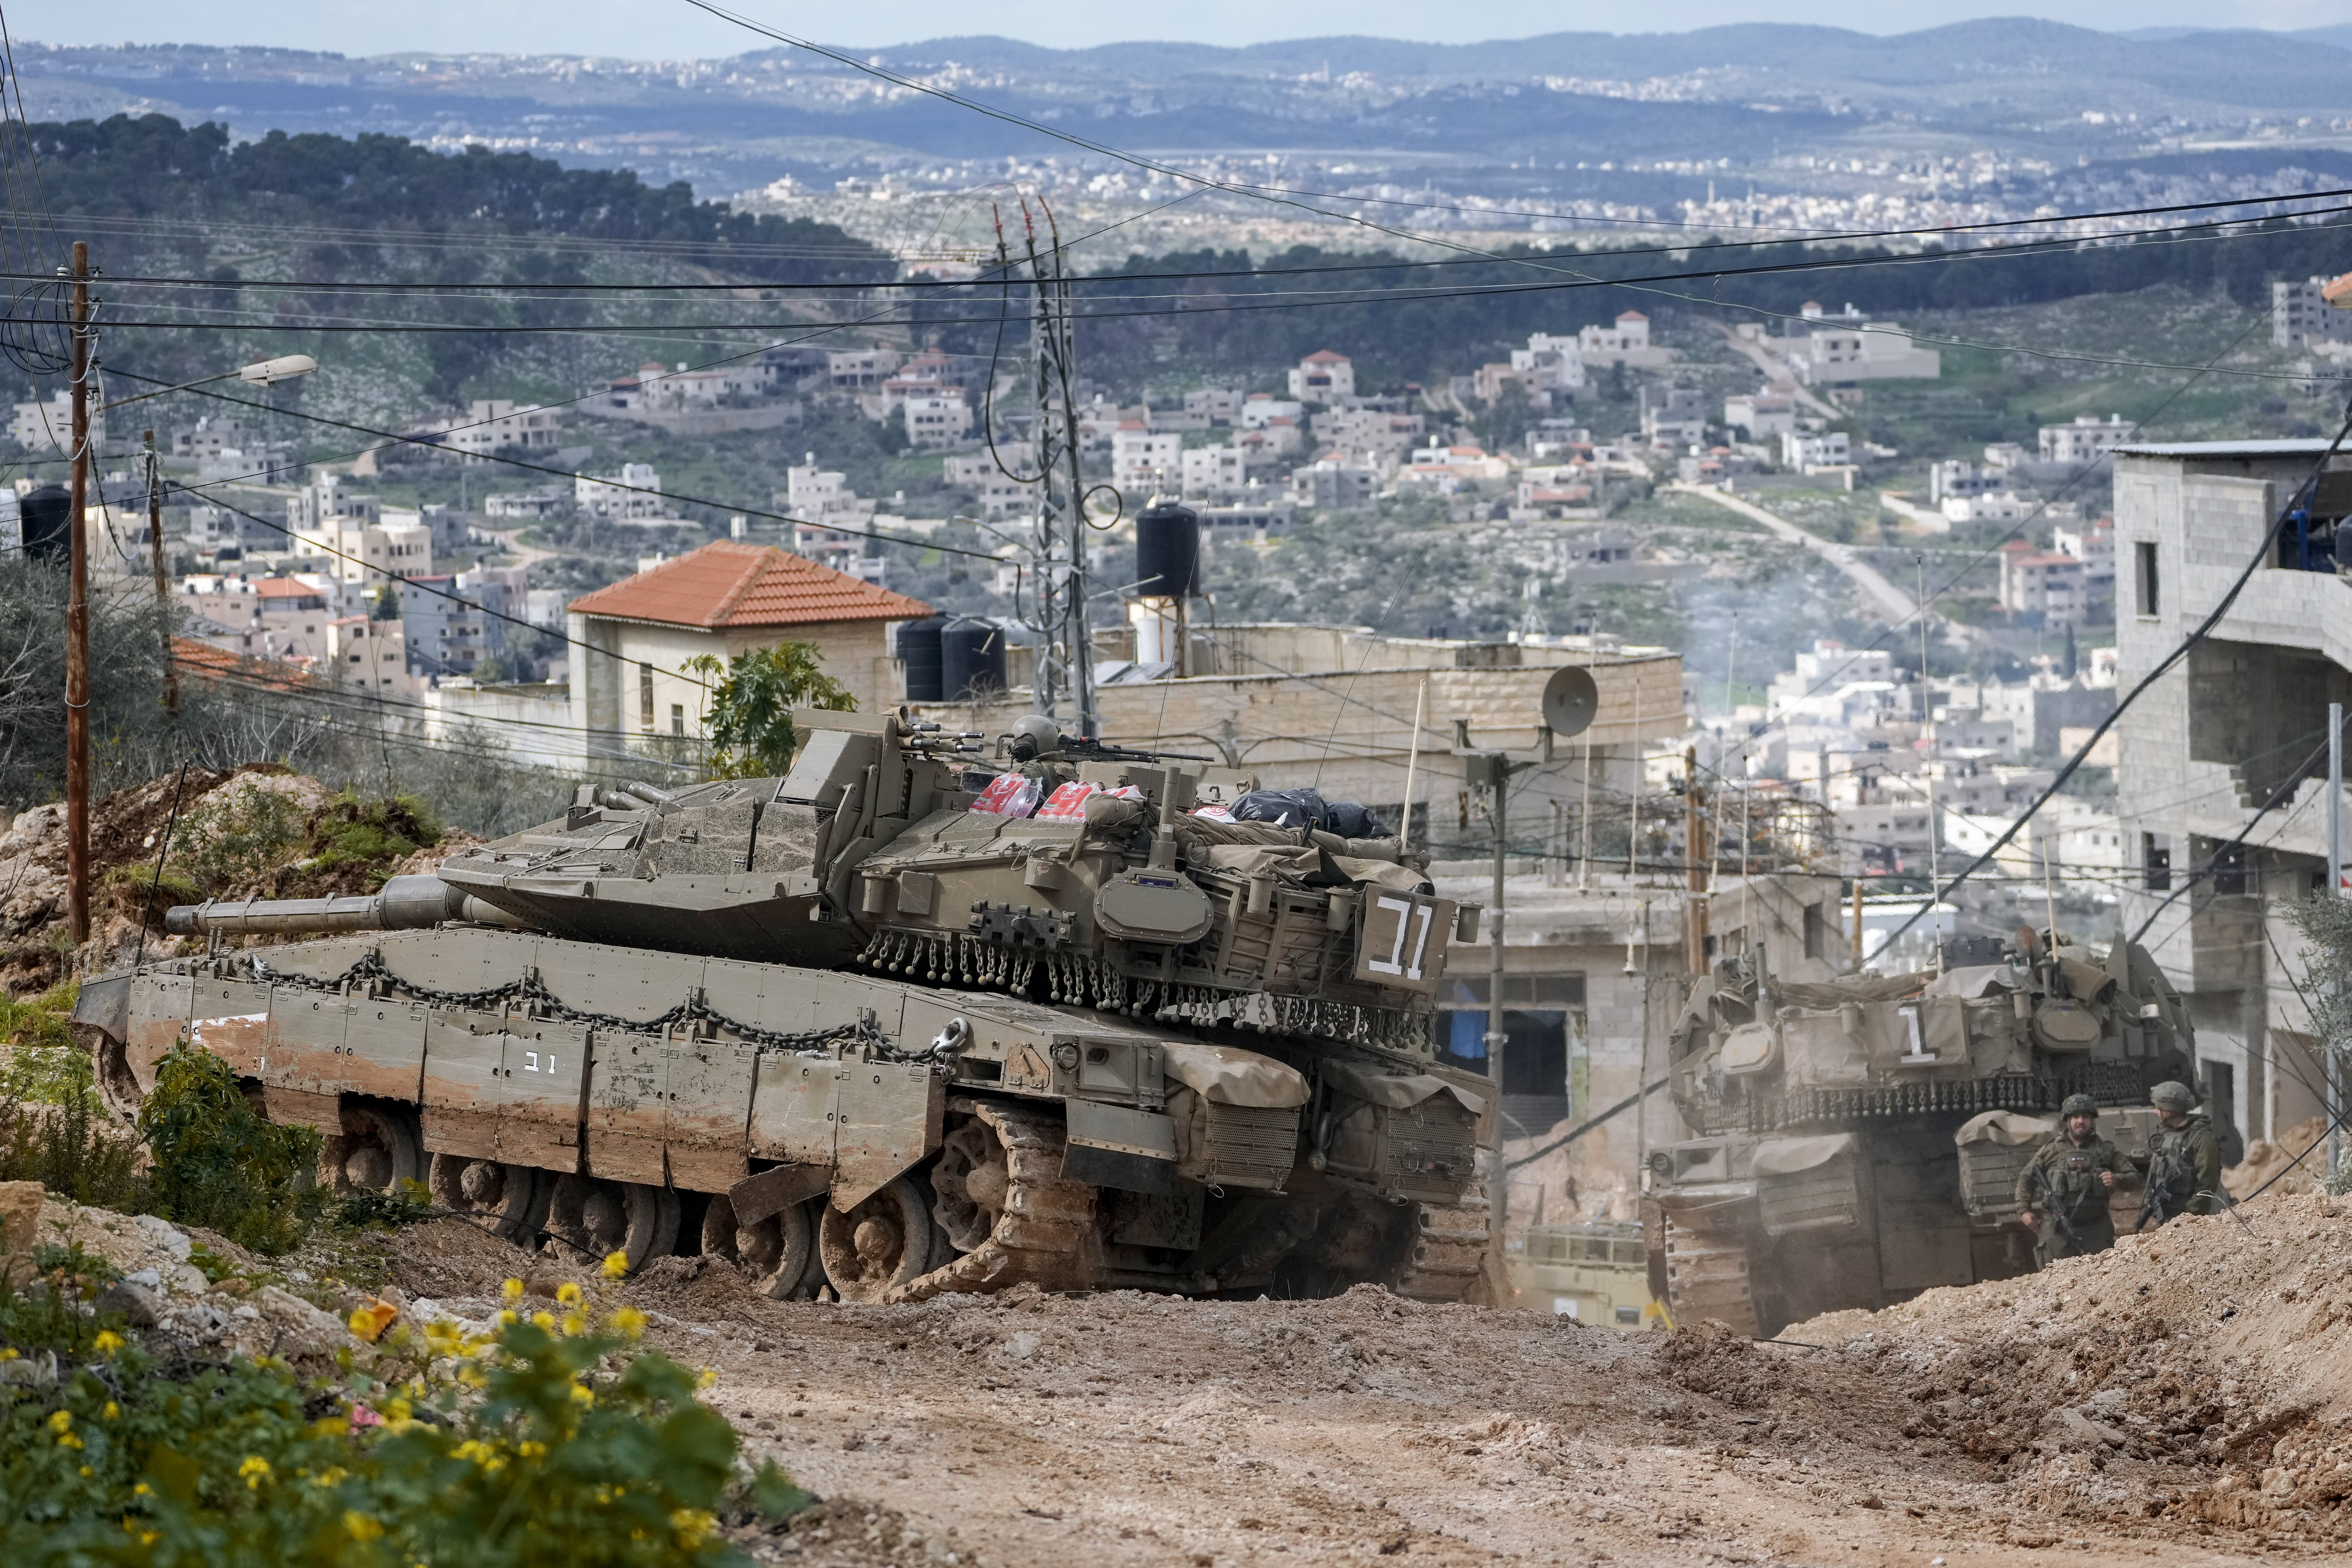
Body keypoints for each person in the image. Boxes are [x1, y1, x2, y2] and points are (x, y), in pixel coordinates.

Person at [2015, 1093, 2139, 1265]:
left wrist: (2117, 1179)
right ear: (2067, 1120)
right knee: (2054, 1280)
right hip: (2057, 1228)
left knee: (2101, 1277)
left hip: (2095, 1227)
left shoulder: (2106, 1150)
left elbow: (2135, 1178)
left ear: (2092, 1120)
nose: (2080, 1121)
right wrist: (2024, 1211)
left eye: (2085, 1117)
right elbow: (2026, 1178)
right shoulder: (2050, 1150)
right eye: (2075, 1117)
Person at [2141, 1079, 2227, 1226]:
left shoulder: (2202, 1138)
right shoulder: (2168, 1134)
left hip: (2196, 1219)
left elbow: (2207, 1182)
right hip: (2172, 1214)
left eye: (2158, 1107)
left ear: (2169, 1109)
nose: (2156, 1112)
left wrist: (2189, 1216)